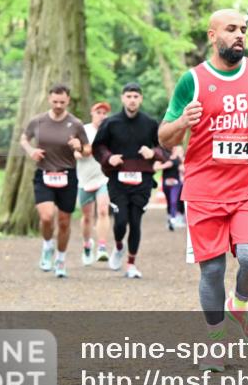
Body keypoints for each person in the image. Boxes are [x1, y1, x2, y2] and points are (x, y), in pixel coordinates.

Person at [159, 8, 248, 370]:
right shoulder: (193, 80)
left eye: (244, 29)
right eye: (231, 29)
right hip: (203, 192)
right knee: (212, 272)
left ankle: (240, 305)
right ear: (213, 35)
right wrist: (183, 121)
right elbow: (165, 137)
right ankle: (216, 341)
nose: (240, 35)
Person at [92, 82, 168, 279]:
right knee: (120, 221)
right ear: (122, 98)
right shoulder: (111, 123)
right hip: (118, 180)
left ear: (141, 99)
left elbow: (164, 149)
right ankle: (118, 246)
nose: (132, 100)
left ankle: (131, 264)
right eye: (129, 96)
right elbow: (98, 146)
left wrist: (153, 152)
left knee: (135, 222)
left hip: (142, 180)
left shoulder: (150, 123)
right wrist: (109, 158)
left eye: (136, 96)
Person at [20, 84, 90, 279]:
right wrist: (31, 150)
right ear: (49, 99)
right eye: (55, 101)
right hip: (44, 174)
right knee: (46, 217)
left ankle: (60, 259)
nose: (58, 105)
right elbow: (24, 139)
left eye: (62, 101)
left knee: (65, 222)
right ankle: (48, 245)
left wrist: (79, 147)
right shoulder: (38, 121)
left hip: (67, 175)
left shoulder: (75, 124)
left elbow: (87, 149)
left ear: (68, 100)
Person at [76, 101, 112, 265]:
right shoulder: (83, 130)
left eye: (105, 113)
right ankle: (87, 245)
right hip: (84, 180)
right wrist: (84, 153)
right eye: (99, 112)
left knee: (103, 210)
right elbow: (74, 154)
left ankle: (102, 247)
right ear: (92, 113)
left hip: (103, 178)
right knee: (87, 216)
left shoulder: (111, 131)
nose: (102, 116)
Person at [155, 145, 185, 231]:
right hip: (166, 184)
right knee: (169, 201)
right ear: (173, 150)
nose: (179, 152)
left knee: (174, 201)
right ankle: (170, 217)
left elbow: (183, 169)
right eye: (178, 150)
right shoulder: (165, 159)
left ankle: (173, 219)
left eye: (181, 151)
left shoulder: (179, 160)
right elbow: (156, 167)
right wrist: (164, 165)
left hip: (176, 184)